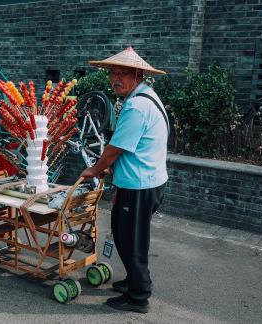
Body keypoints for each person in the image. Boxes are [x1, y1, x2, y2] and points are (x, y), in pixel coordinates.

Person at [81, 47, 169, 313]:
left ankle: (138, 297)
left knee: (131, 240)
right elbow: (130, 146)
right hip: (143, 180)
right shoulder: (145, 97)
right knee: (126, 235)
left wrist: (95, 170)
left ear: (138, 74)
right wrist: (110, 168)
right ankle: (134, 280)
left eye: (122, 74)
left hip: (139, 185)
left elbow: (115, 149)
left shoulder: (137, 106)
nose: (115, 79)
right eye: (112, 73)